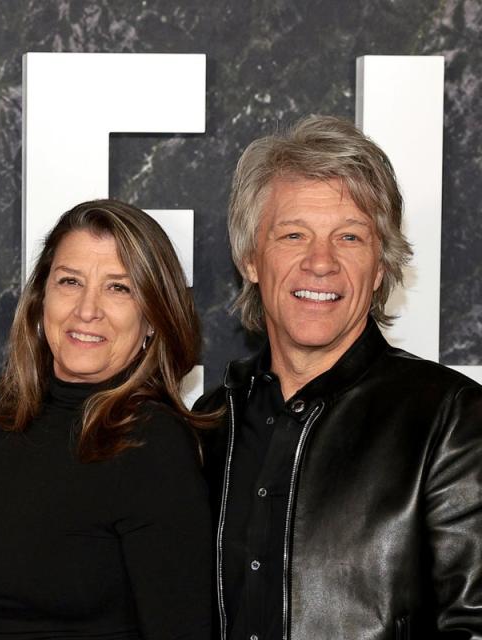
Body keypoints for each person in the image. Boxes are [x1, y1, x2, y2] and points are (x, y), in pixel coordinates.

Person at [195, 115, 482, 639]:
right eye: (293, 234)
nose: (320, 262)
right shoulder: (211, 422)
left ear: (379, 268)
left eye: (349, 237)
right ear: (250, 258)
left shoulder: (451, 418)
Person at [0, 199, 213, 639]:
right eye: (70, 282)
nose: (87, 309)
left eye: (119, 288)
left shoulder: (152, 445)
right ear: (41, 299)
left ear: (153, 318)